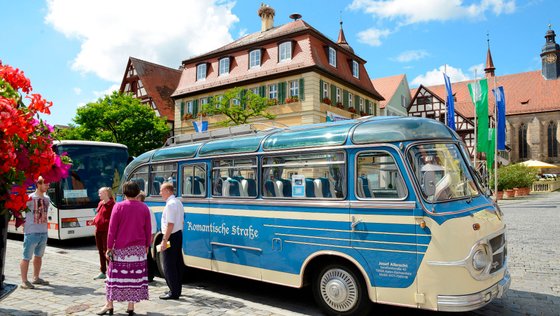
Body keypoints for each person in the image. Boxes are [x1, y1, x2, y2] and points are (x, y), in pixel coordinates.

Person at [97, 181, 151, 316]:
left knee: (113, 277)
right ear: (137, 192)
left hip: (121, 249)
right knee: (133, 277)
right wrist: (147, 246)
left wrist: (109, 247)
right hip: (138, 250)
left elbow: (112, 230)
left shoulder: (118, 207)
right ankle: (131, 306)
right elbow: (148, 229)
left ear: (125, 192)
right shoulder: (144, 208)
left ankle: (109, 305)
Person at [20, 176, 51, 289]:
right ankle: (24, 281)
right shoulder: (30, 198)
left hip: (43, 232)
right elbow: (19, 210)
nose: (48, 185)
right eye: (45, 183)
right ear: (38, 184)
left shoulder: (47, 198)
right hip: (31, 232)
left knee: (38, 256)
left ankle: (36, 278)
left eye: (48, 184)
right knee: (26, 257)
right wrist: (23, 223)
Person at [158, 182, 184, 300]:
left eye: (161, 191)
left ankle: (173, 292)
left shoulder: (170, 204)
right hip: (177, 235)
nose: (160, 193)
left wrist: (164, 240)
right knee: (177, 263)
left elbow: (170, 224)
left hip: (171, 236)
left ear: (168, 191)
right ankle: (177, 289)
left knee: (169, 265)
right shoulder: (178, 202)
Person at [92, 187, 115, 280]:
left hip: (106, 231)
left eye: (100, 193)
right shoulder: (101, 203)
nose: (98, 195)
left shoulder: (112, 204)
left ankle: (110, 272)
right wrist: (95, 219)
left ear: (106, 193)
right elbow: (98, 214)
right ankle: (103, 271)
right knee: (100, 251)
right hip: (98, 230)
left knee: (107, 251)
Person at [136, 190, 157, 282]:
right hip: (138, 236)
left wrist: (151, 237)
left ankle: (149, 275)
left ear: (139, 198)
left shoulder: (147, 209)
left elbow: (153, 224)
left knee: (147, 256)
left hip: (145, 236)